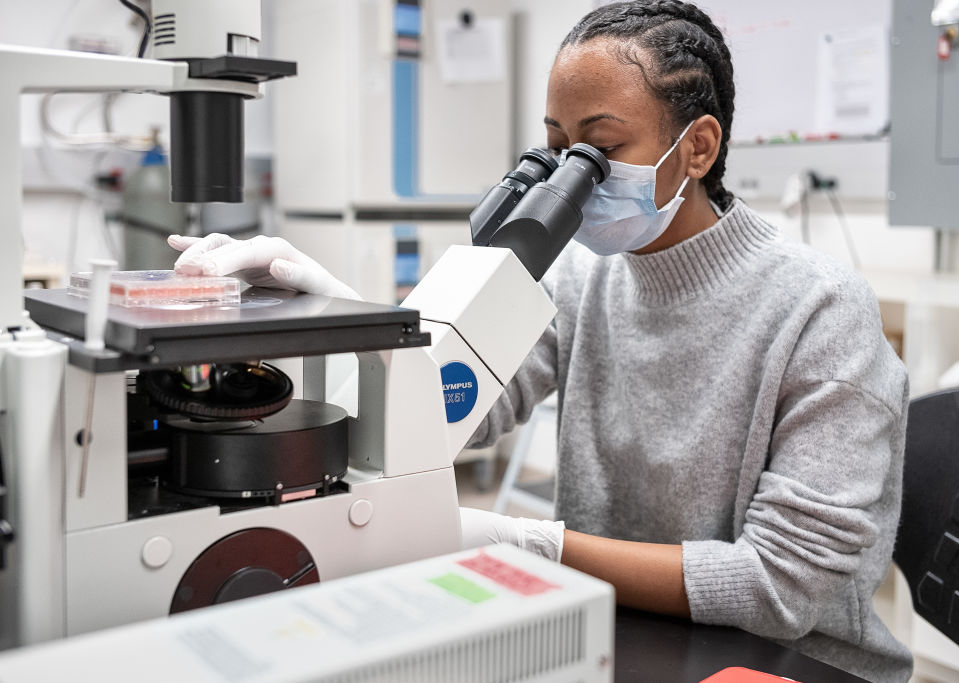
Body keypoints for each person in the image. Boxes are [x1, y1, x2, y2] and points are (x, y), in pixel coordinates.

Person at [170, 2, 911, 680]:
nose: (572, 177)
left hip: (785, 662)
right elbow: (443, 409)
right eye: (557, 151)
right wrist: (334, 314)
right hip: (618, 627)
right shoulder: (583, 278)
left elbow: (777, 589)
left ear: (697, 149)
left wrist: (533, 543)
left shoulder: (821, 309)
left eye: (603, 148)